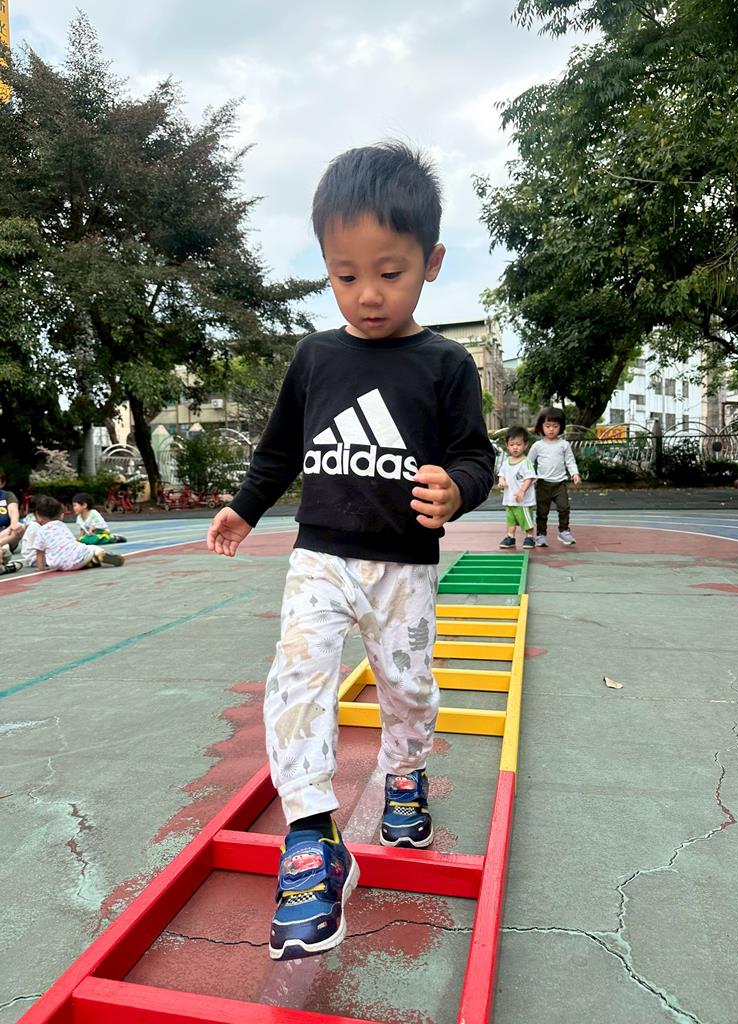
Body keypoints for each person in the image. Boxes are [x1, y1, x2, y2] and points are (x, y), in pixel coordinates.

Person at [207, 141, 495, 962]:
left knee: (408, 687)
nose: (368, 294)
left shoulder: (445, 365)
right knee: (296, 675)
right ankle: (310, 833)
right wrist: (243, 507)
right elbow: (278, 452)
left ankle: (404, 774)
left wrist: (457, 489)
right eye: (345, 275)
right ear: (325, 269)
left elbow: (474, 458)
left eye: (390, 272)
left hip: (403, 567)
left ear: (430, 263)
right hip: (321, 558)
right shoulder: (315, 358)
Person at [528, 406, 581, 546]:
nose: (551, 429)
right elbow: (528, 463)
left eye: (555, 426)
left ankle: (564, 532)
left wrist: (575, 473)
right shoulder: (537, 445)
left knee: (564, 508)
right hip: (542, 484)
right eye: (548, 426)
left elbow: (570, 461)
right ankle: (541, 535)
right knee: (542, 512)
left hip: (559, 484)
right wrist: (528, 478)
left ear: (561, 427)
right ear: (541, 426)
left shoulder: (564, 445)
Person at [33, 496, 125, 571]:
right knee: (92, 548)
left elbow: (39, 552)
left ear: (38, 517)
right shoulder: (62, 526)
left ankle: (93, 561)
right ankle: (99, 554)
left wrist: (41, 568)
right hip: (78, 558)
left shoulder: (40, 531)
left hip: (59, 565)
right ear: (61, 516)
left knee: (55, 555)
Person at [497, 426, 536, 549]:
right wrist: (501, 481)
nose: (515, 447)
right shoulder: (506, 462)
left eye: (518, 444)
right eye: (512, 444)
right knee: (510, 520)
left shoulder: (526, 462)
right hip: (510, 499)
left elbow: (529, 478)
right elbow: (501, 475)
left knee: (526, 520)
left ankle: (530, 537)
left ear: (525, 445)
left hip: (523, 500)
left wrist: (522, 490)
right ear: (507, 445)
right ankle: (510, 537)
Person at [0, 467, 24, 567]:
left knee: (20, 527)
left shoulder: (8, 496)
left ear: (2, 483)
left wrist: (14, 523)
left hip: (6, 535)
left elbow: (13, 510)